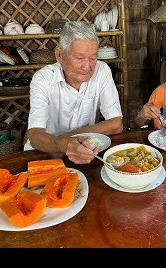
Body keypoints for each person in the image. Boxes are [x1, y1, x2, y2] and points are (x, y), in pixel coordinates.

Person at [24, 21, 123, 164]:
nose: (87, 66)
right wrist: (64, 144)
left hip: (85, 152)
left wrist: (68, 140)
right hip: (45, 154)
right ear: (59, 55)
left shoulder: (102, 71)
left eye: (93, 57)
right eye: (79, 58)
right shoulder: (43, 79)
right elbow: (34, 136)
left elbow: (116, 124)